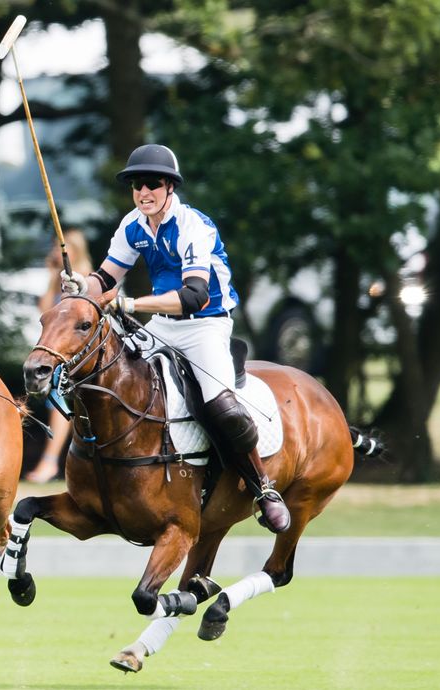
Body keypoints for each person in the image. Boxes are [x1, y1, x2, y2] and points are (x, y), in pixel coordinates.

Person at [61, 144, 291, 533]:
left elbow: (193, 296)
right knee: (118, 377)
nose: (142, 192)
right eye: (136, 185)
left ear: (169, 187)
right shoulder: (132, 225)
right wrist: (82, 287)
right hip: (163, 326)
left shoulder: (193, 226)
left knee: (221, 406)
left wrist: (131, 304)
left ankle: (263, 487)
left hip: (205, 324)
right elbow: (106, 278)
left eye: (151, 184)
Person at [25, 229, 93, 483]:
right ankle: (52, 461)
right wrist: (54, 276)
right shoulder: (59, 279)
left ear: (73, 251)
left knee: (57, 398)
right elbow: (44, 310)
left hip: (76, 357)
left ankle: (50, 462)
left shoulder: (86, 279)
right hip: (57, 355)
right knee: (53, 398)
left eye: (60, 248)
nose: (55, 252)